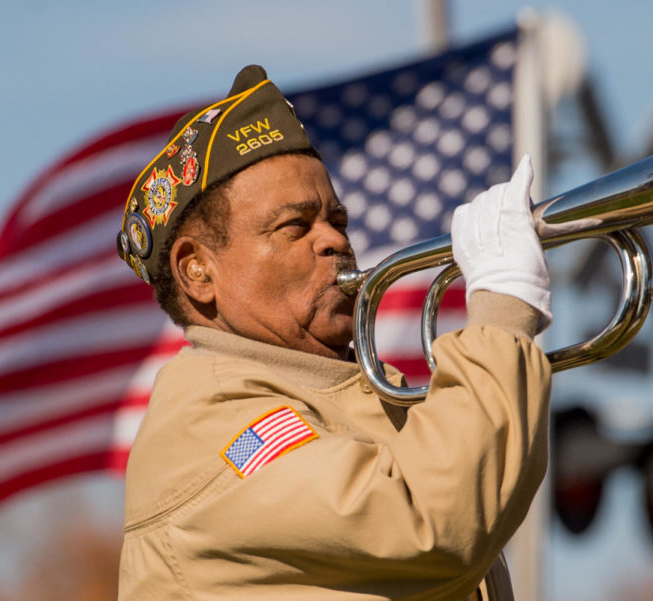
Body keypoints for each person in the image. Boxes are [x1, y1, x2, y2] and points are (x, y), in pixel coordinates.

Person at [116, 64, 552, 601]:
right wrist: (503, 308)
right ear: (198, 272)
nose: (333, 241)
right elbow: (428, 525)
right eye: (294, 226)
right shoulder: (213, 426)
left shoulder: (344, 396)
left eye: (336, 221)